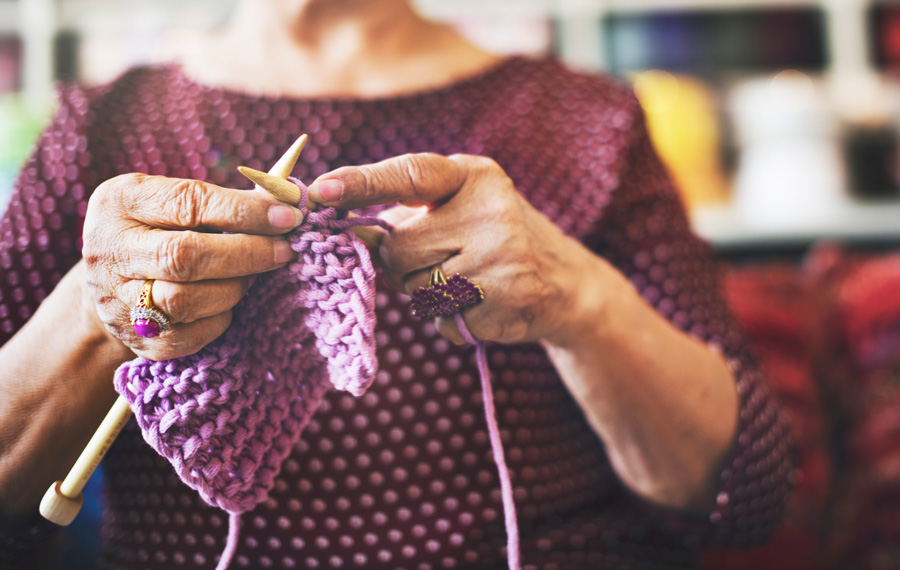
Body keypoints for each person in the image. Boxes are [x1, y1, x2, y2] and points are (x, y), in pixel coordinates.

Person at [0, 0, 795, 568]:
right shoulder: (102, 132)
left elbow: (746, 490)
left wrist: (575, 300)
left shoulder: (583, 122)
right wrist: (106, 310)